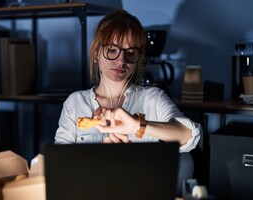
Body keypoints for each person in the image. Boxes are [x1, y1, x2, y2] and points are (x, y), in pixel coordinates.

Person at [55, 9, 200, 154]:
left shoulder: (152, 98)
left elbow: (188, 135)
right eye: (112, 50)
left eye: (130, 53)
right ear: (96, 53)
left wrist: (137, 126)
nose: (121, 60)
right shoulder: (75, 103)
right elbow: (60, 160)